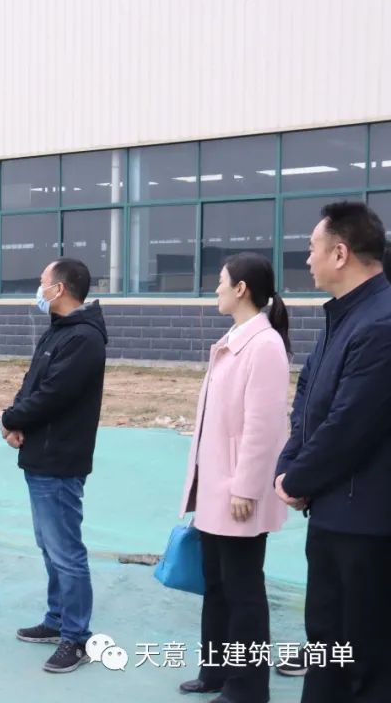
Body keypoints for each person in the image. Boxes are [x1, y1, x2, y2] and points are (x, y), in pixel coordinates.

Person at [274, 201, 391, 703]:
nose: (307, 259)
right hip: (332, 515)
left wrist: (298, 480)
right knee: (327, 644)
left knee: (364, 657)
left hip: (366, 525)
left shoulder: (381, 323)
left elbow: (351, 425)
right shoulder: (341, 317)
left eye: (312, 249)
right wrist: (289, 466)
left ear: (340, 253)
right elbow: (307, 399)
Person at [175, 253, 291, 703]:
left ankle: (247, 688)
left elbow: (263, 427)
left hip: (238, 493)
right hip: (215, 490)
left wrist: (246, 487)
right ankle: (216, 671)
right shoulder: (233, 339)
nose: (216, 289)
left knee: (243, 591)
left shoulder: (264, 346)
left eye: (221, 281)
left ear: (241, 289)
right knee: (217, 585)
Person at [0, 257, 107, 674]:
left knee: (66, 551)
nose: (39, 289)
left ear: (59, 289)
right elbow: (33, 385)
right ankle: (57, 618)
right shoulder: (59, 331)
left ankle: (77, 637)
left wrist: (12, 418)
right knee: (50, 544)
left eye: (43, 282)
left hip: (60, 458)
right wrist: (15, 420)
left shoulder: (83, 338)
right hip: (41, 454)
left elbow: (53, 394)